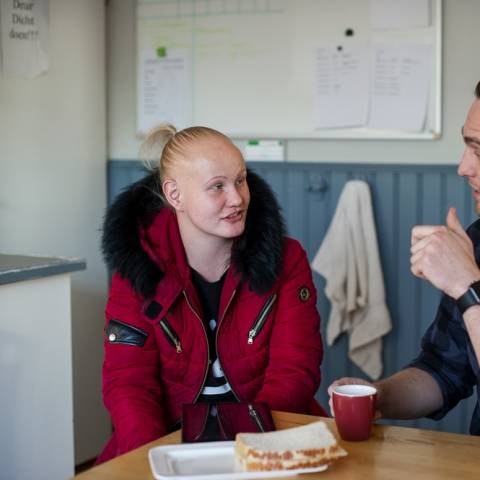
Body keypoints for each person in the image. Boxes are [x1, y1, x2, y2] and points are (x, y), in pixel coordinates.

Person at [97, 125, 325, 463]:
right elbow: (129, 383)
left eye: (240, 180)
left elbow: (295, 371)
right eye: (217, 187)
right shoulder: (137, 267)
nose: (237, 199)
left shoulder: (286, 258)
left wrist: (251, 454)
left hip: (269, 439)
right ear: (175, 195)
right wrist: (152, 459)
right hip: (167, 446)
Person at [329, 80, 480, 433]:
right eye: (466, 146)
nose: (463, 167)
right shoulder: (477, 240)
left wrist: (466, 286)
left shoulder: (467, 270)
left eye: (479, 151)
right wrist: (376, 396)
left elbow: (467, 288)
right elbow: (443, 370)